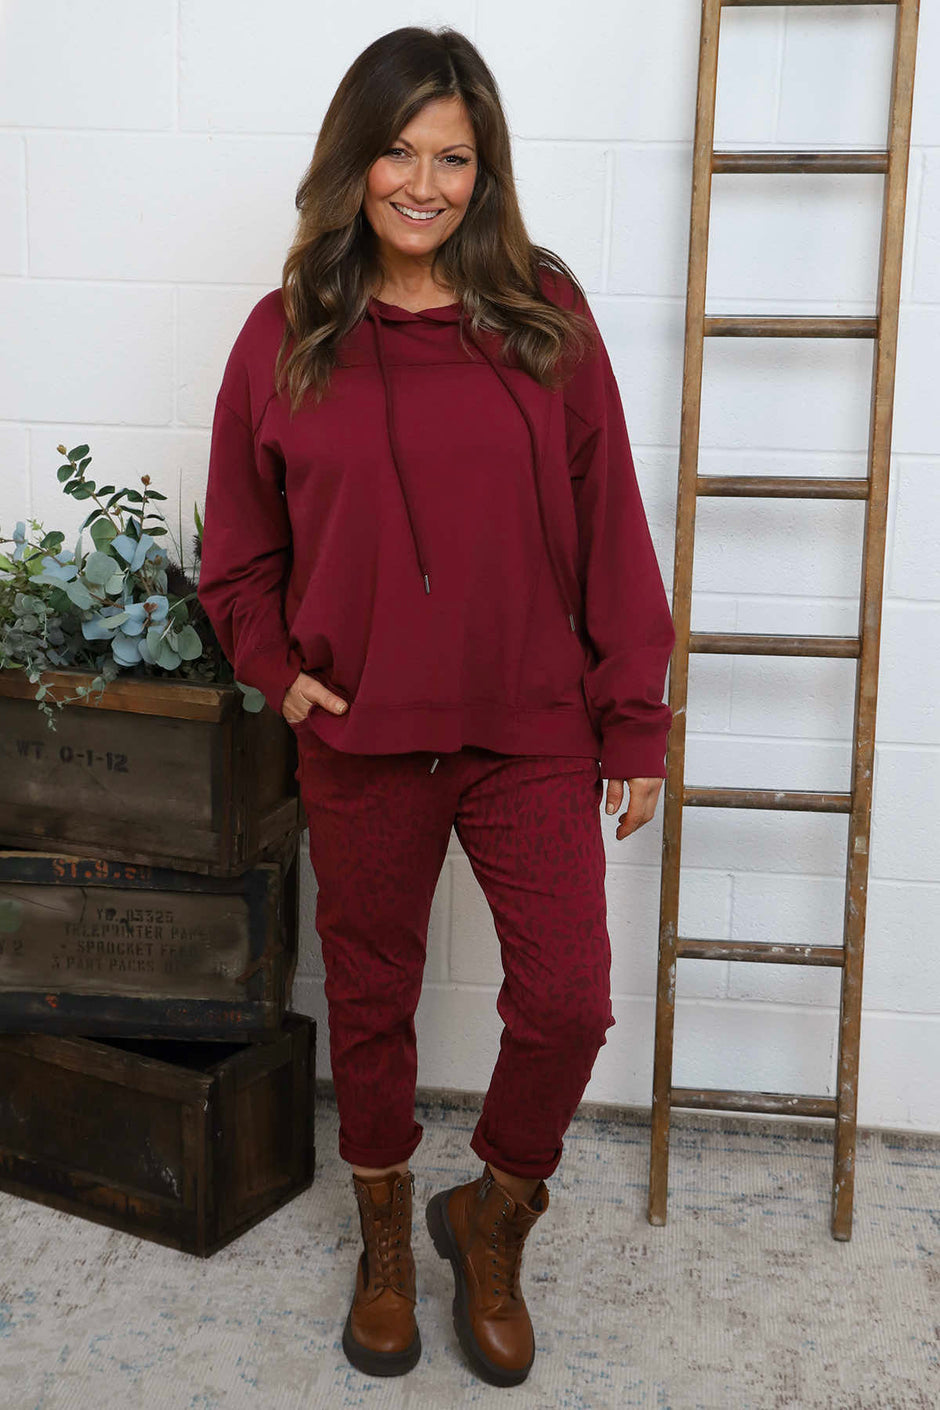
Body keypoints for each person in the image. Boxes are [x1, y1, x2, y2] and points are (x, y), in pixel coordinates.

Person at [197, 24, 675, 1390]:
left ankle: (494, 1215)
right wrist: (276, 667)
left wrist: (633, 716)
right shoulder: (286, 336)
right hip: (360, 736)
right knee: (371, 1001)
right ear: (353, 161)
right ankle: (386, 1241)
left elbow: (612, 525)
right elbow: (237, 550)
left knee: (569, 1000)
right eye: (398, 152)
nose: (424, 184)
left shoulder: (544, 315)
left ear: (487, 170)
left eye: (454, 157)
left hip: (531, 725)